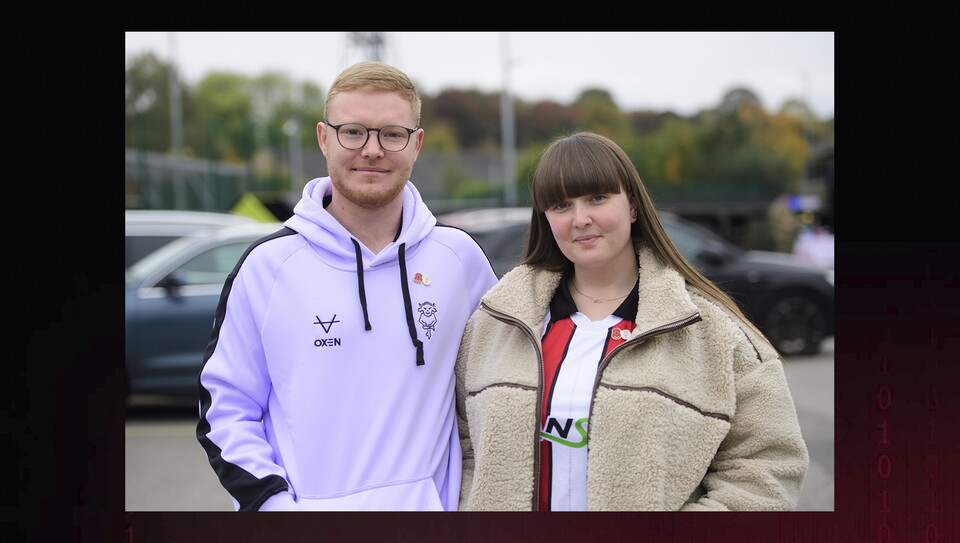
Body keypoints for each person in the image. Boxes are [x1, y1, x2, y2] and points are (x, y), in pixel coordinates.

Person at [196, 61, 498, 511]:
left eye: (391, 134)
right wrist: (276, 508)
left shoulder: (460, 260)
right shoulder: (267, 267)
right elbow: (225, 410)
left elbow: (505, 383)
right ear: (324, 139)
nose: (372, 150)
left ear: (416, 144)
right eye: (352, 132)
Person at [455, 132, 809, 511]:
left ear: (634, 206)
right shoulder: (494, 326)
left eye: (597, 198)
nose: (580, 219)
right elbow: (461, 450)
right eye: (561, 205)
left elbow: (769, 464)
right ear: (545, 218)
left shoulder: (715, 333)